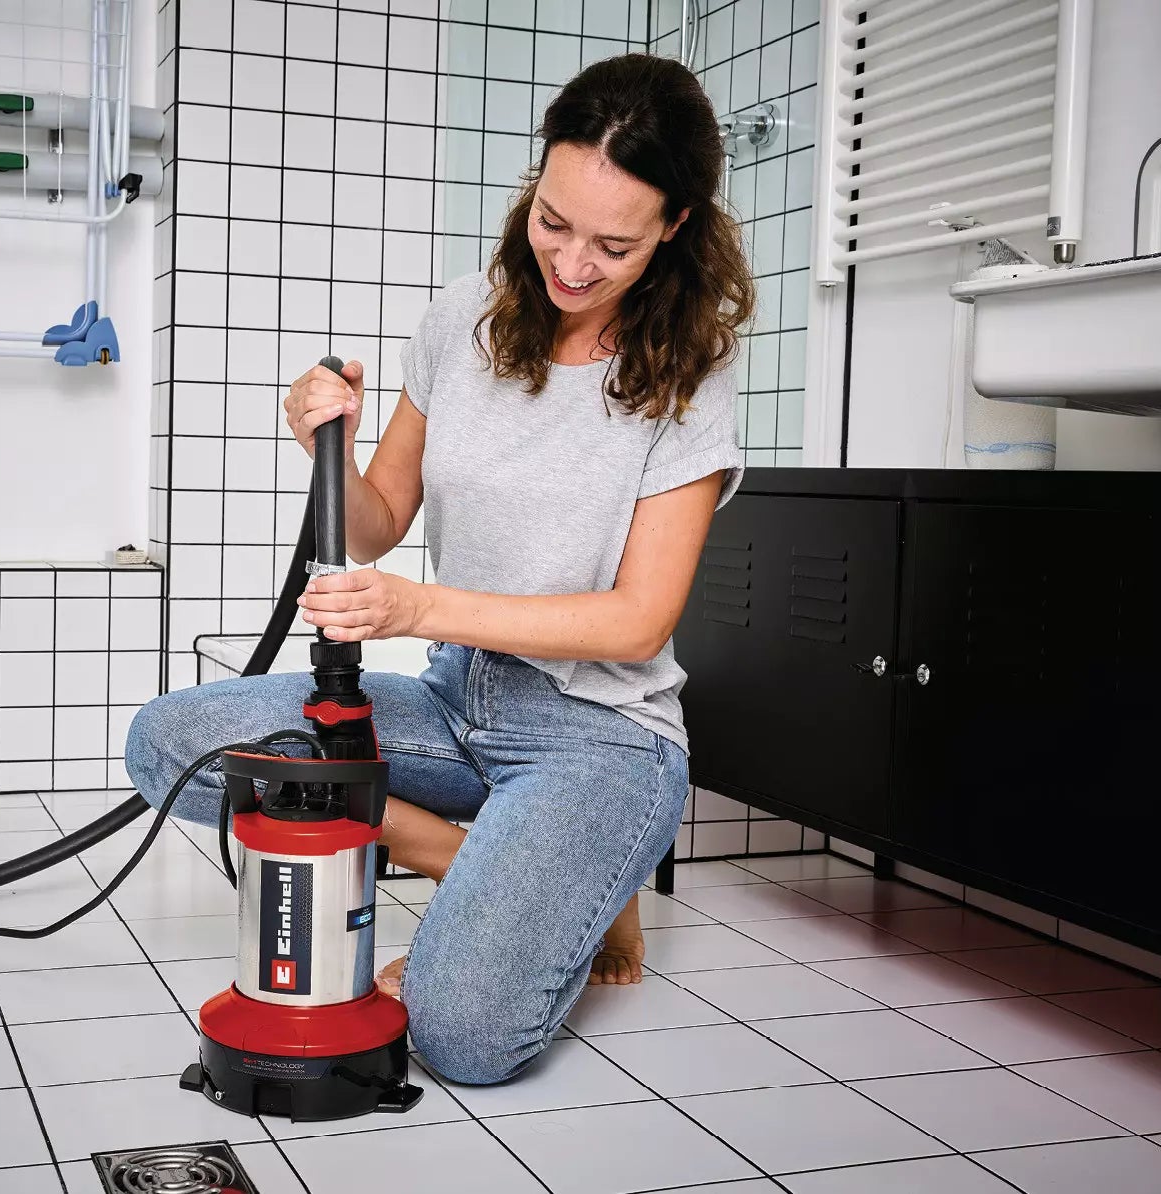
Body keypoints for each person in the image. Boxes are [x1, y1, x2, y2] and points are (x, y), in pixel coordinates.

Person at [125, 52, 753, 1087]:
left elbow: (637, 621)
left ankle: (571, 863)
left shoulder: (692, 368)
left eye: (613, 245)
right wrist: (324, 444)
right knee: (171, 746)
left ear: (675, 226)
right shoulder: (464, 317)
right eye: (553, 221)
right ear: (533, 187)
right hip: (459, 700)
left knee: (462, 1034)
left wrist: (417, 607)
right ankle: (470, 859)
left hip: (597, 734)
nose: (572, 263)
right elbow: (374, 526)